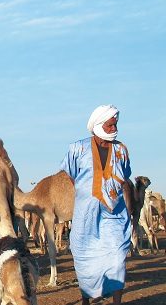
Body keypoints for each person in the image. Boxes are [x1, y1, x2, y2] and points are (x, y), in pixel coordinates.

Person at [60, 104, 131, 305]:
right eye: (110, 125)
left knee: (117, 257)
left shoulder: (121, 150)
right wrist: (87, 193)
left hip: (114, 216)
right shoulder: (77, 148)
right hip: (86, 217)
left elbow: (124, 175)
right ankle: (86, 300)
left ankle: (117, 301)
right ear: (99, 124)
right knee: (86, 261)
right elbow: (72, 174)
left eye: (115, 124)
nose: (114, 128)